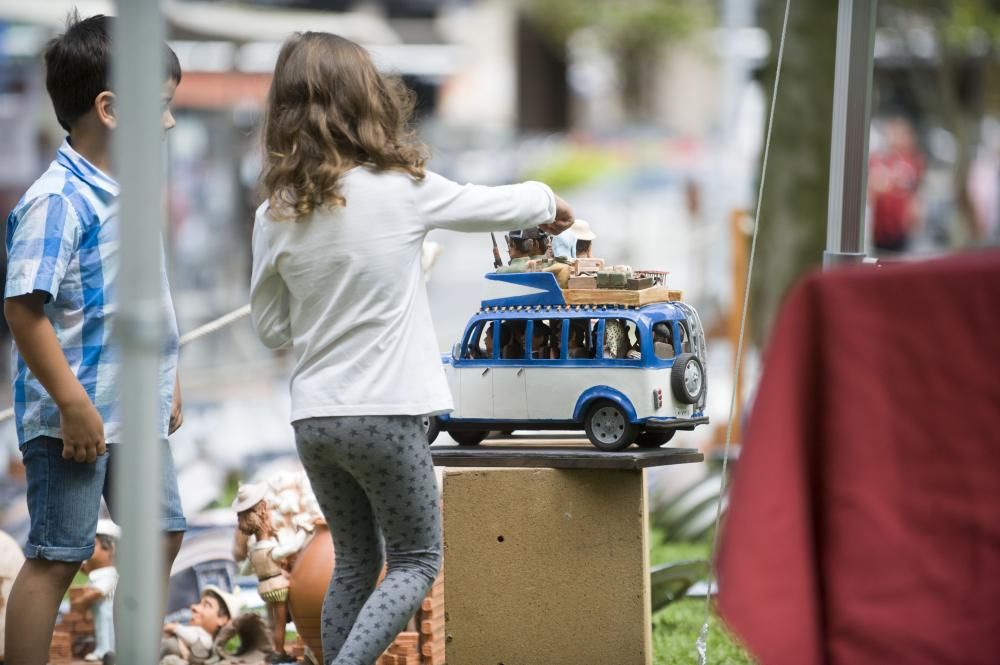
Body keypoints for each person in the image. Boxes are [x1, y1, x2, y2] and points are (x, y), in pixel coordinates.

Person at [249, 32, 574, 665]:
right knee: (417, 560)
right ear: (366, 100)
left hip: (315, 419)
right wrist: (550, 202)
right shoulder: (399, 188)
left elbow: (271, 329)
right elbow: (493, 204)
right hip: (388, 416)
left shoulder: (276, 213)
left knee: (354, 560)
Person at [3, 15, 186, 664]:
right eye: (159, 107)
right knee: (58, 553)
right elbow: (24, 309)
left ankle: (126, 648)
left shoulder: (133, 191)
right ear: (110, 108)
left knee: (162, 530)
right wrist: (74, 402)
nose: (167, 123)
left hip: (133, 409)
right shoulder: (58, 200)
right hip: (72, 418)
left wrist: (170, 377)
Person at [232, 484, 299, 663]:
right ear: (263, 513)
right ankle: (279, 650)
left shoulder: (254, 552)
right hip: (278, 587)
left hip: (264, 587)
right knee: (280, 625)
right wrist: (304, 533)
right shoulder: (271, 548)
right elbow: (291, 548)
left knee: (274, 621)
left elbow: (244, 571)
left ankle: (275, 648)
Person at [73, 519, 121, 662]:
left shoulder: (109, 573)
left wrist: (81, 601)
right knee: (101, 629)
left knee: (107, 629)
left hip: (109, 610)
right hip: (100, 610)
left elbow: (98, 591)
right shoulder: (98, 574)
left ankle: (107, 651)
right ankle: (103, 649)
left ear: (110, 548)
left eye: (92, 544)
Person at [161, 585, 241, 665]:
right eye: (200, 603)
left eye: (206, 605)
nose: (193, 607)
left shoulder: (205, 643)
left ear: (222, 619)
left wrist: (175, 628)